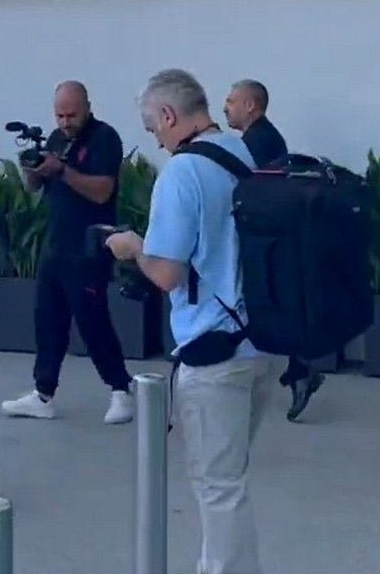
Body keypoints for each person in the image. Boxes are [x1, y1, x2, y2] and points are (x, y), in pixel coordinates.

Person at [107, 69, 277, 574]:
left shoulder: (182, 173)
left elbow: (166, 273)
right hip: (262, 341)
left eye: (152, 129)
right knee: (228, 476)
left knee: (219, 487)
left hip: (213, 351)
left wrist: (132, 246)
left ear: (167, 115)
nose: (155, 141)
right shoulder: (242, 152)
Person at [1, 81, 134, 425]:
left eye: (71, 115)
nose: (64, 122)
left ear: (87, 107)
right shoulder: (56, 139)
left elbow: (102, 191)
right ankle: (43, 393)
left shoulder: (104, 138)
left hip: (89, 245)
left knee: (92, 320)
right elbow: (35, 187)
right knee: (47, 319)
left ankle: (121, 389)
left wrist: (62, 169)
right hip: (56, 242)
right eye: (59, 115)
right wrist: (32, 169)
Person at [224, 78, 325, 421]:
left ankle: (301, 368)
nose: (226, 107)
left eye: (231, 101)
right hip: (269, 235)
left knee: (270, 302)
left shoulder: (258, 141)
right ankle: (300, 369)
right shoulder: (261, 138)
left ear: (250, 105)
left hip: (265, 237)